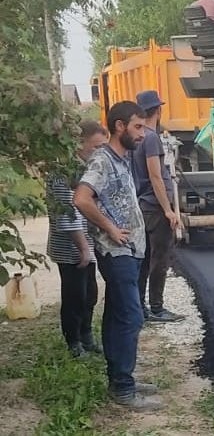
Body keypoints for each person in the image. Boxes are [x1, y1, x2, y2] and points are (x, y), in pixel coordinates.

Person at [73, 101, 164, 411]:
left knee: (117, 314)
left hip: (131, 251)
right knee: (131, 316)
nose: (143, 133)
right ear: (120, 126)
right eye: (137, 127)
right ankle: (123, 388)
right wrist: (110, 228)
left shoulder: (122, 159)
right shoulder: (103, 161)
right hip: (117, 252)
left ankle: (120, 379)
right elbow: (82, 198)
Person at [46, 120, 107, 358]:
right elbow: (66, 216)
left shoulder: (87, 170)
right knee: (74, 296)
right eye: (95, 147)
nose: (98, 153)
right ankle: (74, 342)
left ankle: (87, 336)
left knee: (90, 294)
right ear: (78, 144)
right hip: (70, 248)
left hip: (87, 246)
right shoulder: (61, 173)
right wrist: (83, 248)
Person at [132, 90, 185, 323]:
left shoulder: (136, 137)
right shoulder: (151, 137)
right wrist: (168, 209)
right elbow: (155, 176)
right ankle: (157, 308)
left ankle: (140, 307)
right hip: (154, 206)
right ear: (158, 110)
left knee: (144, 259)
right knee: (160, 258)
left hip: (141, 204)